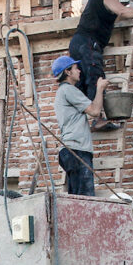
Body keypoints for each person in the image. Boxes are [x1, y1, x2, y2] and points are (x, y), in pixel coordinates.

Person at [50, 55, 107, 196]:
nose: (79, 71)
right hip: (77, 150)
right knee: (85, 199)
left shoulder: (63, 92)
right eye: (76, 68)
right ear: (68, 72)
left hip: (71, 150)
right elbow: (94, 111)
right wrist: (99, 89)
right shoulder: (68, 90)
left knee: (77, 199)